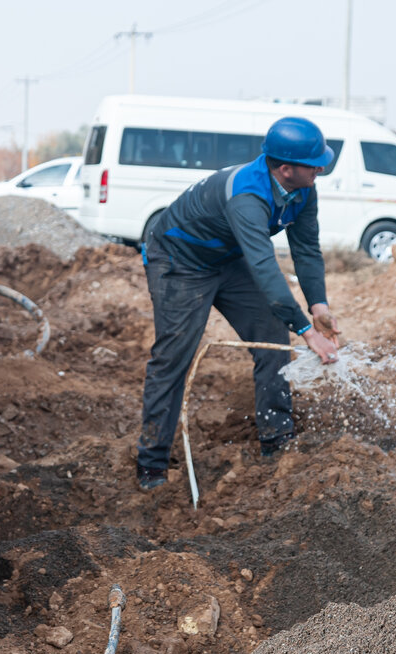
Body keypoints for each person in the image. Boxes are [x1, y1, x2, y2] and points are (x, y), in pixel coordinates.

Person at [135, 116, 343, 491]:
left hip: (227, 259)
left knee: (272, 340)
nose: (321, 168)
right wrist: (308, 332)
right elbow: (266, 270)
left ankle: (276, 442)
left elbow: (307, 249)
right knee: (173, 357)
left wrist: (318, 306)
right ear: (285, 169)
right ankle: (151, 465)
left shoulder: (303, 189)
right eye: (314, 164)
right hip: (179, 261)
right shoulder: (247, 197)